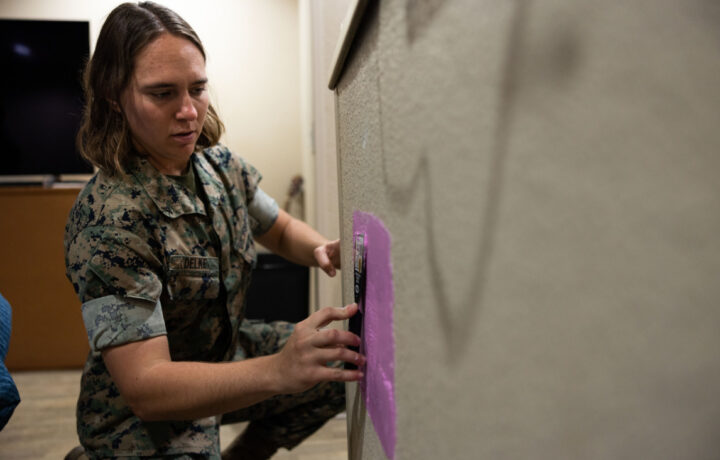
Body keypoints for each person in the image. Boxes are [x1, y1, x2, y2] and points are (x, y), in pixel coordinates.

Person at [63, 2, 364, 459]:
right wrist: (278, 370)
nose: (188, 111)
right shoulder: (109, 219)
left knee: (340, 358)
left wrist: (320, 248)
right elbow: (146, 387)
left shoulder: (218, 166)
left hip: (221, 356)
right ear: (114, 99)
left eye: (198, 88)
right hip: (143, 414)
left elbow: (277, 228)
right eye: (162, 94)